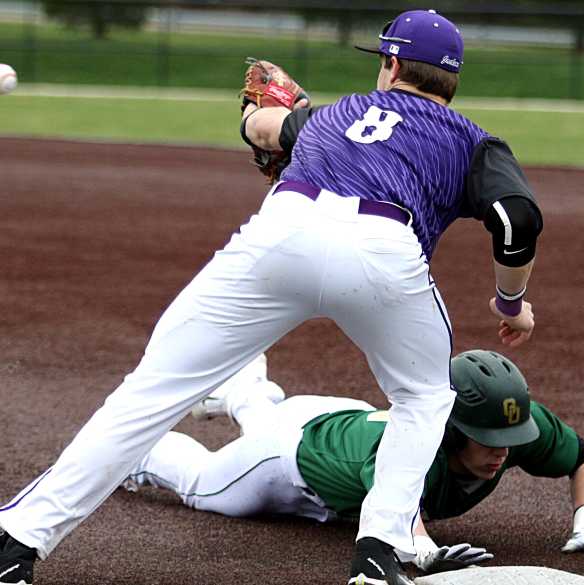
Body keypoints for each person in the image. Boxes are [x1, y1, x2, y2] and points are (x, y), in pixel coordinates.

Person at [0, 9, 543, 585]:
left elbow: (262, 128)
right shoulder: (473, 141)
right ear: (452, 80)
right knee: (425, 399)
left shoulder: (336, 114)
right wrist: (511, 302)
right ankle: (379, 555)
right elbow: (516, 221)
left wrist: (257, 117)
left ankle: (18, 541)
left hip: (282, 233)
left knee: (151, 391)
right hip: (385, 253)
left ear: (391, 63)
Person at [119, 350, 584, 577]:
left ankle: (245, 391)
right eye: (487, 438)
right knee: (203, 485)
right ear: (452, 428)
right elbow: (401, 521)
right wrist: (427, 555)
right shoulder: (409, 450)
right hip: (286, 459)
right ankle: (131, 448)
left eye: (509, 435)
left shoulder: (514, 424)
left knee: (267, 424)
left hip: (336, 418)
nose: (503, 450)